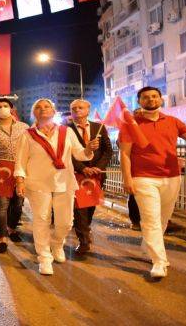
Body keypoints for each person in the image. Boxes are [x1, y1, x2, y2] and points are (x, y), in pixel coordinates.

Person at [119, 86, 186, 278]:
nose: (151, 100)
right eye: (146, 97)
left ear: (161, 100)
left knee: (162, 219)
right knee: (151, 220)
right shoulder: (130, 124)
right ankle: (159, 262)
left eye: (155, 96)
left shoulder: (172, 121)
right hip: (144, 178)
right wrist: (127, 179)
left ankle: (147, 248)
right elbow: (125, 153)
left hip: (172, 176)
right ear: (139, 101)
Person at [14, 99, 99, 276]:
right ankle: (44, 257)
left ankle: (58, 244)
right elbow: (20, 161)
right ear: (34, 113)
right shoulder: (27, 134)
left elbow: (80, 155)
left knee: (65, 221)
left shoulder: (66, 131)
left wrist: (89, 149)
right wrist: (20, 181)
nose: (42, 109)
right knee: (41, 219)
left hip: (64, 182)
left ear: (54, 112)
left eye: (47, 106)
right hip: (38, 183)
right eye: (38, 107)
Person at [0, 99, 29, 253]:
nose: (2, 109)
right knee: (1, 206)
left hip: (20, 170)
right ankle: (3, 238)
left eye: (5, 106)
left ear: (11, 108)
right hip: (0, 171)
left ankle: (11, 228)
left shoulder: (24, 128)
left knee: (18, 204)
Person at [67, 99, 112, 256]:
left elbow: (108, 151)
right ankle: (84, 240)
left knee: (91, 205)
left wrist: (98, 168)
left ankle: (86, 228)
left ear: (88, 110)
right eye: (74, 108)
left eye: (81, 107)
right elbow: (67, 153)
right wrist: (83, 168)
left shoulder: (98, 127)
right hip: (76, 174)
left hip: (96, 175)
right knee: (80, 208)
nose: (77, 110)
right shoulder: (66, 129)